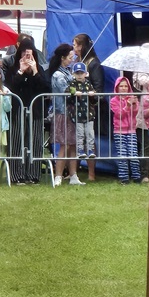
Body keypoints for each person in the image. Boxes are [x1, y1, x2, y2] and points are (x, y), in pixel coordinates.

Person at [5, 36, 49, 184]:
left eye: (29, 55)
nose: (26, 57)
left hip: (35, 111)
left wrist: (35, 71)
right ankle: (16, 175)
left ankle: (33, 174)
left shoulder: (40, 70)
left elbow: (46, 88)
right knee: (17, 142)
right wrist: (20, 72)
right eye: (24, 54)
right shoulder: (12, 70)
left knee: (35, 141)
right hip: (17, 111)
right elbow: (10, 88)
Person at [49, 43, 84, 187]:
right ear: (63, 58)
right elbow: (67, 90)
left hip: (72, 113)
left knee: (73, 145)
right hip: (63, 113)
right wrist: (76, 89)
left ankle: (73, 175)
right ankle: (58, 175)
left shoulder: (68, 72)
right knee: (64, 145)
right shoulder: (58, 74)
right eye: (70, 57)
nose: (72, 59)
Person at [73, 33, 105, 181]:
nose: (73, 48)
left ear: (81, 46)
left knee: (89, 141)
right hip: (76, 109)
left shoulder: (93, 63)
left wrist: (89, 94)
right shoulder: (78, 62)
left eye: (75, 45)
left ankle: (92, 174)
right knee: (77, 140)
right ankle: (74, 172)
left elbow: (99, 88)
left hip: (90, 109)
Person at [110, 76, 142, 184]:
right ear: (117, 88)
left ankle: (136, 177)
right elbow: (119, 115)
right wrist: (127, 106)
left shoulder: (132, 97)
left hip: (132, 130)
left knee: (133, 155)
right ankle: (124, 178)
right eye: (121, 86)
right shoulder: (113, 100)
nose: (123, 88)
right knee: (122, 155)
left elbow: (136, 112)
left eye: (125, 86)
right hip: (119, 131)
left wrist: (134, 104)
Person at [68, 61, 97, 162]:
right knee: (80, 133)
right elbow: (67, 95)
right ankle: (80, 150)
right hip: (77, 114)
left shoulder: (89, 84)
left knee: (90, 133)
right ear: (74, 74)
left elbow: (95, 99)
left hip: (89, 114)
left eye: (81, 73)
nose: (79, 75)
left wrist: (93, 95)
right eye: (77, 73)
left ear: (86, 74)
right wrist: (74, 93)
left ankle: (90, 149)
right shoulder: (72, 84)